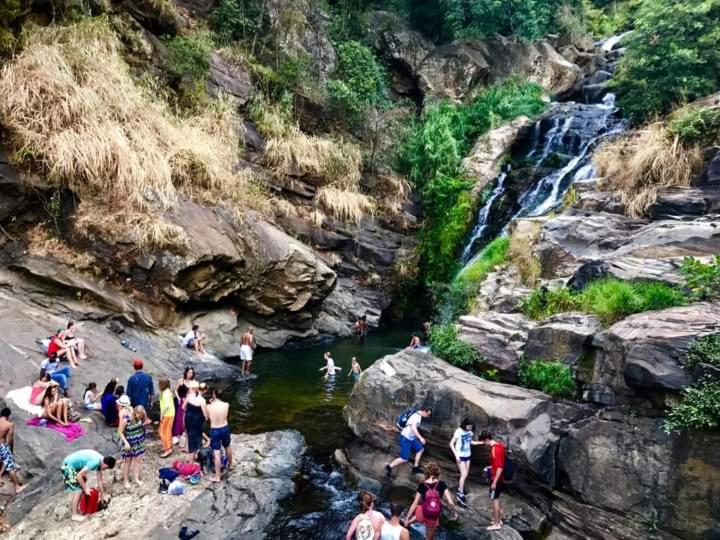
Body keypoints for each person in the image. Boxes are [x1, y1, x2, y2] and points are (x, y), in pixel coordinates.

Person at [405, 462, 458, 540]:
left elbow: (415, 502)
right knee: (429, 538)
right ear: (437, 472)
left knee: (420, 510)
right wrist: (454, 513)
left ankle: (408, 522)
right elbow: (450, 502)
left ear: (426, 472)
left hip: (422, 512)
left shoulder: (422, 485)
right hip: (433, 516)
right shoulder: (442, 484)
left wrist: (407, 517)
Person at [62, 449, 115, 522]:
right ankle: (74, 515)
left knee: (83, 481)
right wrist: (85, 488)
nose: (104, 470)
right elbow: (79, 476)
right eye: (106, 468)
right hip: (68, 465)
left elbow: (99, 480)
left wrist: (103, 495)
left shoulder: (101, 460)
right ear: (106, 465)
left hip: (74, 466)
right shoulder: (95, 462)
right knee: (79, 489)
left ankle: (79, 508)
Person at [384, 407, 432, 478]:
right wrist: (420, 438)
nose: (428, 416)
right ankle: (389, 467)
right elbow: (413, 428)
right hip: (405, 438)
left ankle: (415, 468)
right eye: (428, 414)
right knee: (404, 458)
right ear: (424, 411)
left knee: (420, 449)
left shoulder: (416, 413)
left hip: (411, 438)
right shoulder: (417, 417)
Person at [450, 418, 482, 506]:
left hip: (467, 455)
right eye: (469, 426)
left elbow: (470, 442)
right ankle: (460, 493)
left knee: (465, 474)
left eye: (471, 427)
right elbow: (451, 444)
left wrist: (480, 443)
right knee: (464, 474)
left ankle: (460, 489)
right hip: (460, 456)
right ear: (465, 424)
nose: (470, 428)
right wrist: (456, 455)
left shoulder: (470, 432)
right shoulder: (459, 431)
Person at [478, 431, 506, 531]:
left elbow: (500, 467)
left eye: (483, 442)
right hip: (498, 478)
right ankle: (498, 519)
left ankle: (497, 524)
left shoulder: (495, 450)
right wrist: (490, 467)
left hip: (496, 479)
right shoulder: (499, 445)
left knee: (495, 500)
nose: (484, 444)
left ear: (487, 440)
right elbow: (498, 463)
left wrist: (494, 482)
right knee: (495, 498)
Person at [118, 402, 146, 489]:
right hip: (129, 443)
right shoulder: (127, 419)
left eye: (141, 415)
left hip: (139, 442)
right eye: (139, 415)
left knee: (138, 461)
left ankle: (136, 478)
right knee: (128, 462)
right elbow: (120, 432)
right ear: (135, 412)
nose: (140, 417)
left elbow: (143, 426)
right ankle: (125, 480)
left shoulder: (142, 418)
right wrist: (125, 442)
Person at [207, 388, 233, 482]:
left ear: (214, 395)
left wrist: (211, 403)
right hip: (224, 427)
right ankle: (231, 465)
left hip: (215, 429)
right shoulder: (226, 405)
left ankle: (217, 477)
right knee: (227, 446)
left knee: (217, 452)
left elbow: (207, 417)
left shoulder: (209, 406)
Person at [0, 408, 27, 494]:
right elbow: (10, 439)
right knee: (10, 466)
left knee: (4, 461)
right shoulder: (9, 424)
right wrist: (10, 449)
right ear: (8, 416)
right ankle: (17, 487)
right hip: (2, 446)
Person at [184, 380, 208, 459]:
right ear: (205, 390)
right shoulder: (202, 400)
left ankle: (191, 454)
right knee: (196, 438)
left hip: (188, 419)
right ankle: (192, 459)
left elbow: (183, 407)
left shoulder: (189, 396)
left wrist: (189, 411)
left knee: (190, 437)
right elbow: (205, 415)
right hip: (197, 421)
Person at [158, 378, 175, 458]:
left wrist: (162, 414)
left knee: (163, 432)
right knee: (167, 430)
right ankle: (169, 446)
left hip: (167, 414)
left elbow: (167, 405)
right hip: (170, 414)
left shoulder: (165, 393)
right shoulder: (168, 391)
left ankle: (167, 449)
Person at [173, 383, 188, 449]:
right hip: (183, 412)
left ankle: (179, 437)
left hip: (180, 410)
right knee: (182, 422)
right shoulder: (185, 399)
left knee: (178, 421)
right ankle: (182, 438)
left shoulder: (180, 399)